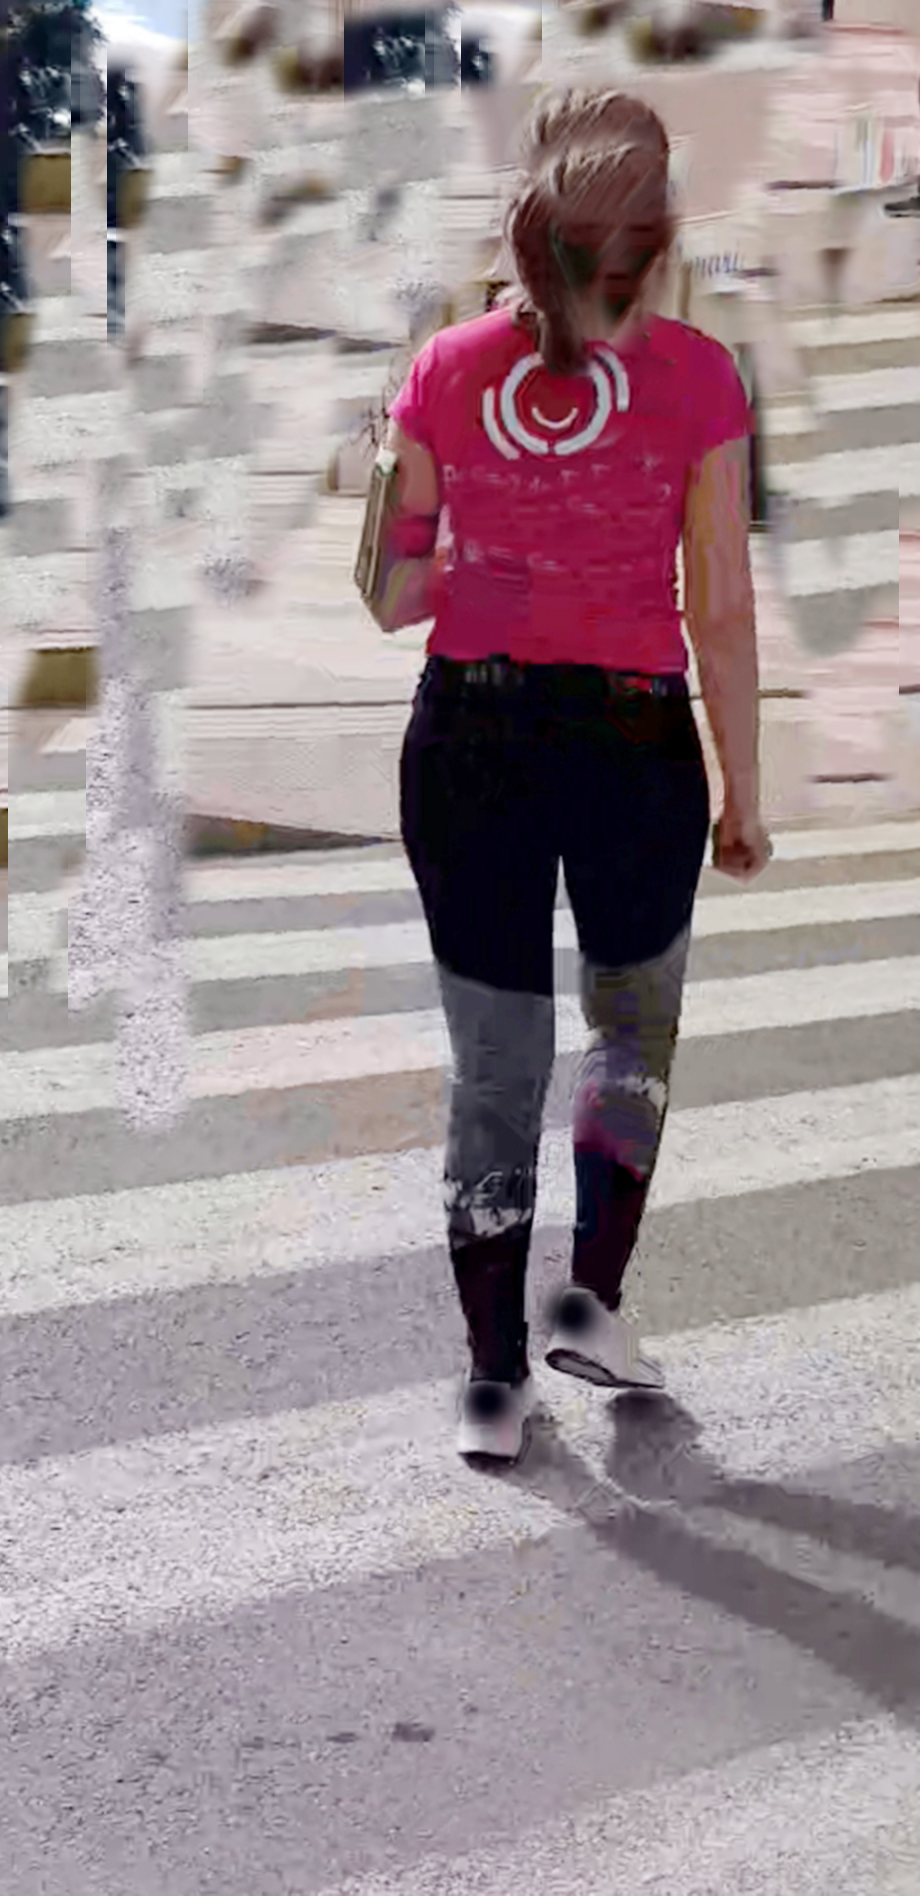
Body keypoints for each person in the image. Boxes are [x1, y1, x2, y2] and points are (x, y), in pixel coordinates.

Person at [355, 87, 772, 1466]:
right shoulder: (701, 377)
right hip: (633, 745)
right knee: (630, 1036)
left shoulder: (442, 367)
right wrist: (744, 792)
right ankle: (588, 1301)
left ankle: (490, 1382)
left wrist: (470, 550)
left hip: (466, 742)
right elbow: (720, 607)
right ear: (656, 236)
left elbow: (386, 594)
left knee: (493, 1065)